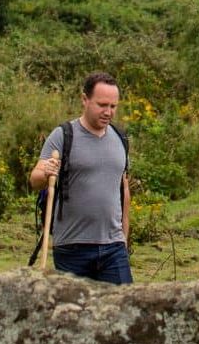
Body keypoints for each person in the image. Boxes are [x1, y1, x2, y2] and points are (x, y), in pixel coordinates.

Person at [30, 71, 133, 284]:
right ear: (85, 100)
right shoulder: (63, 135)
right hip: (72, 247)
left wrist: (124, 237)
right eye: (102, 105)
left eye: (113, 106)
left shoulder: (120, 139)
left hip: (113, 246)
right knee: (75, 314)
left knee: (123, 311)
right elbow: (35, 179)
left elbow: (123, 190)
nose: (108, 112)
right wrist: (47, 171)